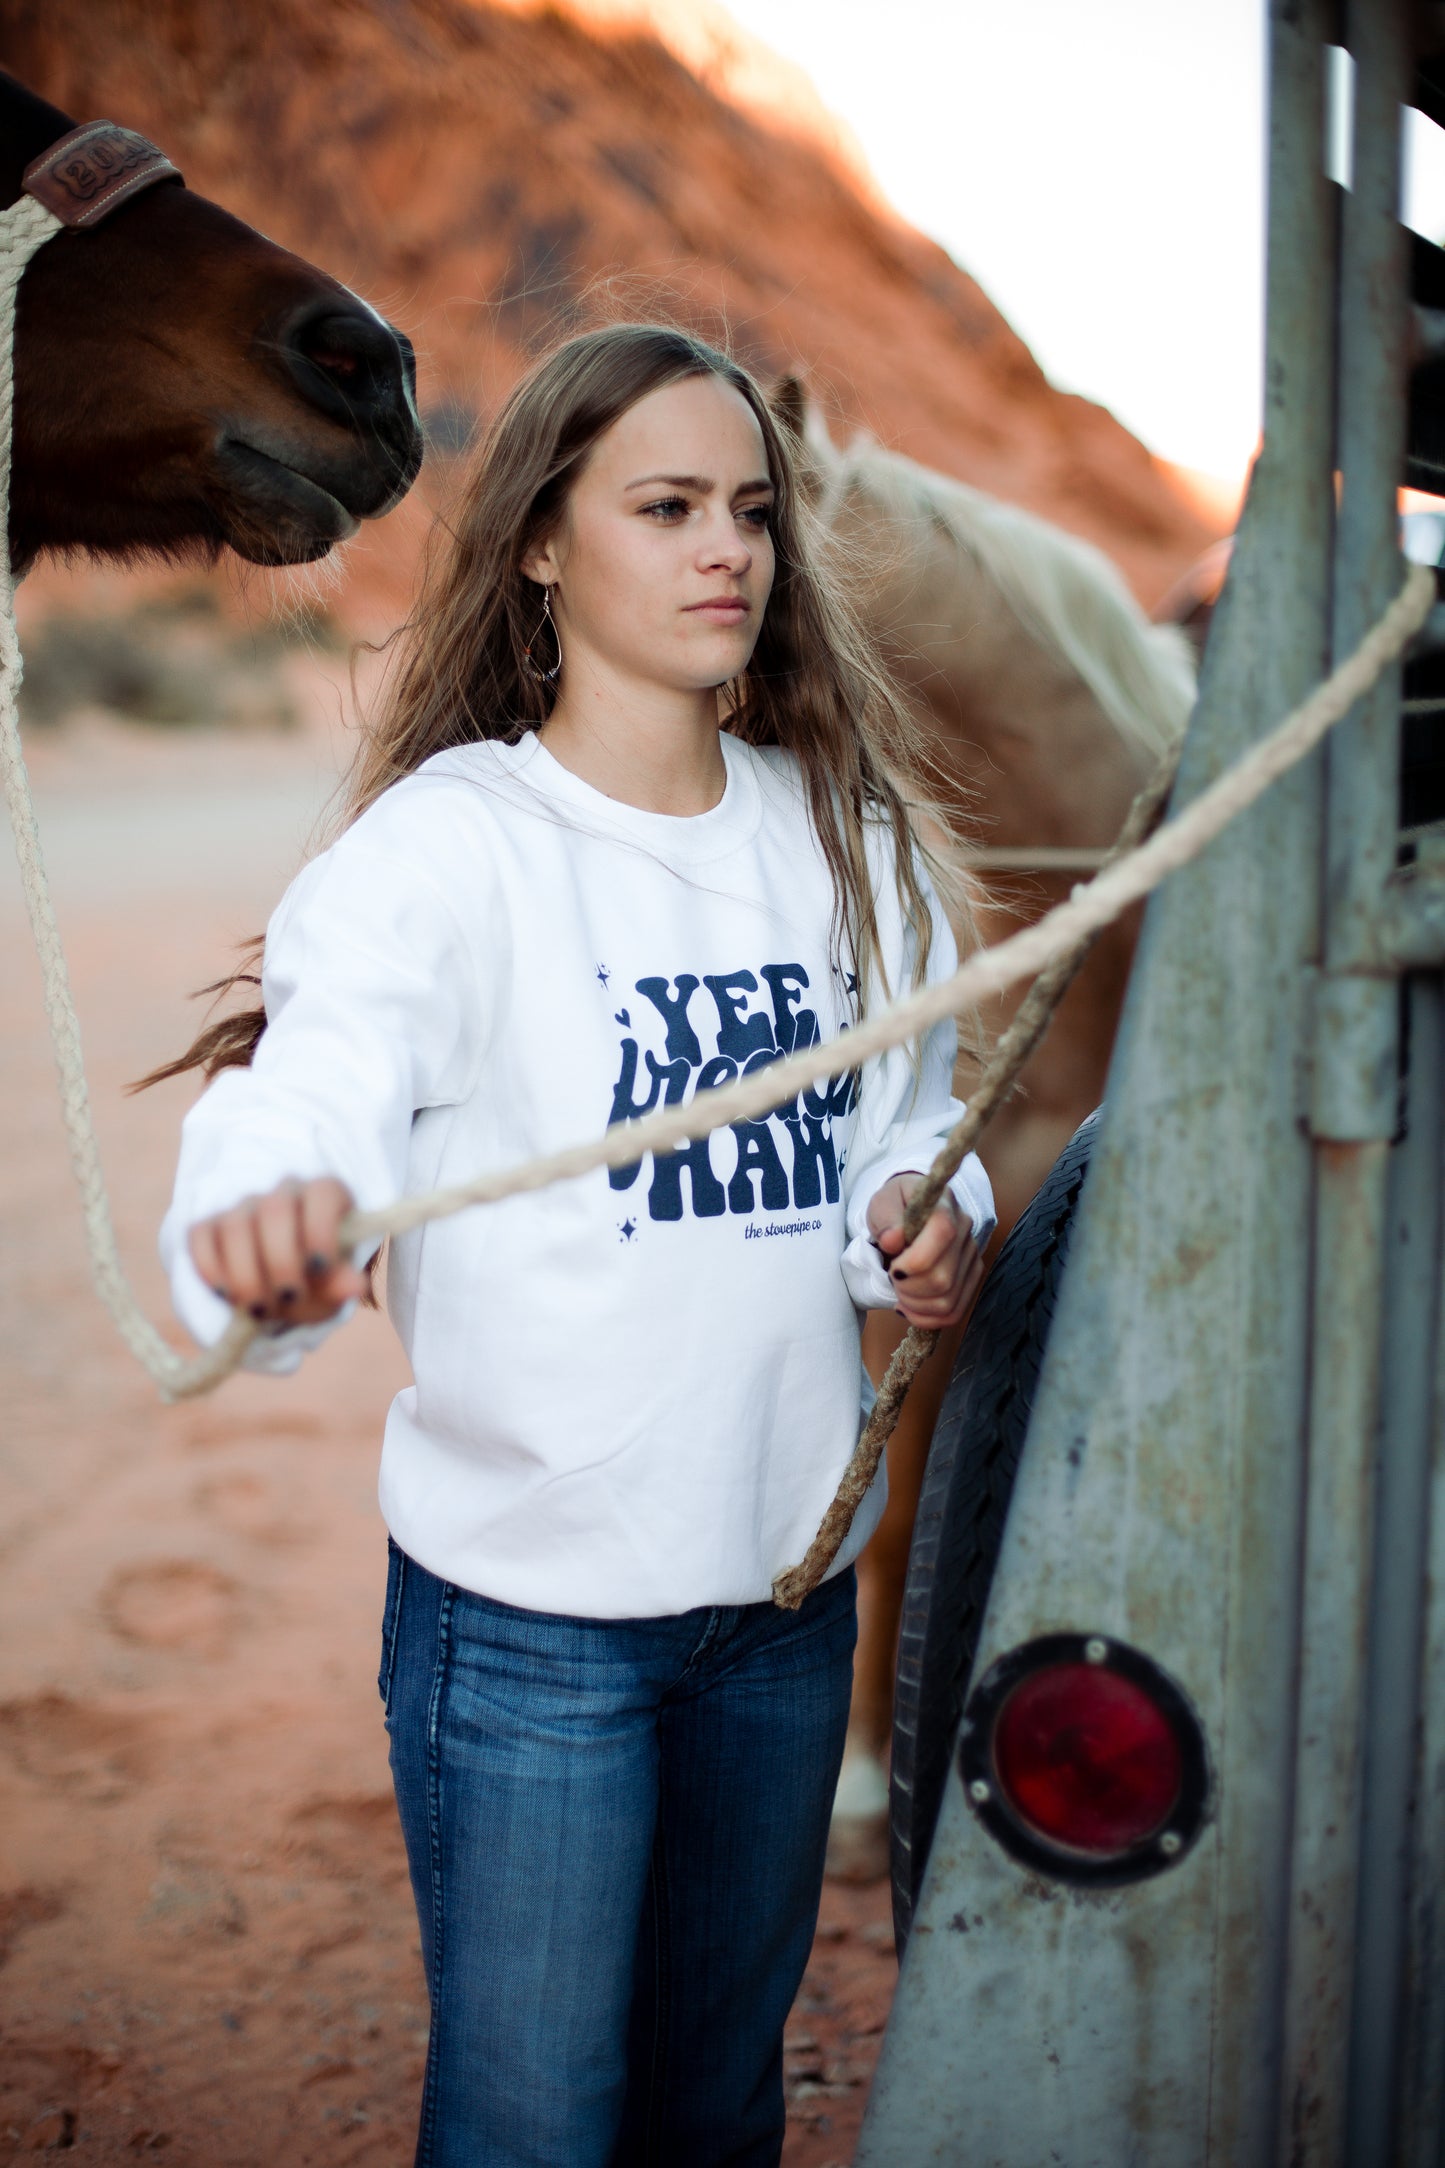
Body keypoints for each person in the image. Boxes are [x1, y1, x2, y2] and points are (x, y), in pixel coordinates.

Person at [153, 322, 994, 2168]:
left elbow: (913, 1118)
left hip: (778, 1611)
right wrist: (261, 1226)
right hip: (532, 1634)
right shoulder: (452, 852)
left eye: (753, 512)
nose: (729, 552)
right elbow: (313, 1086)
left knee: (712, 2107)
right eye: (668, 506)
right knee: (538, 2120)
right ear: (542, 540)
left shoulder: (843, 842)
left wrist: (921, 1224)